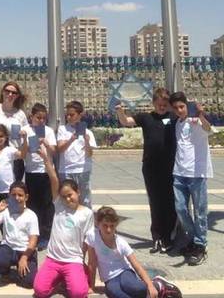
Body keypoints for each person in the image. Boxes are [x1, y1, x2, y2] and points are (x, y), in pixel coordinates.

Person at [115, 87, 177, 253]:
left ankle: (168, 236)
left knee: (169, 202)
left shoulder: (173, 117)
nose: (162, 107)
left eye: (165, 104)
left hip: (170, 167)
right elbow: (126, 122)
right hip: (151, 167)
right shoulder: (146, 117)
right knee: (155, 202)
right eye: (159, 104)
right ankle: (157, 237)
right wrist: (120, 111)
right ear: (154, 103)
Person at [32, 145, 94, 298]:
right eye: (64, 196)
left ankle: (73, 277)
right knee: (40, 291)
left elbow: (87, 241)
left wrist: (83, 265)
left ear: (78, 192)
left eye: (70, 195)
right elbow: (53, 179)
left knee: (79, 294)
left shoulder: (86, 213)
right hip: (53, 259)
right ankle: (60, 279)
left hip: (73, 260)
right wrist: (46, 160)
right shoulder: (59, 206)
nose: (67, 199)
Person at [170, 92, 213, 266]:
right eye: (176, 108)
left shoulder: (196, 121)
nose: (179, 110)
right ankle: (194, 240)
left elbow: (208, 128)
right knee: (180, 208)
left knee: (200, 212)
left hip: (197, 174)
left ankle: (200, 245)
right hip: (179, 173)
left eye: (182, 106)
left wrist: (201, 115)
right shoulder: (177, 123)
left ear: (187, 105)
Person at [86, 206, 161, 298]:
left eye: (112, 226)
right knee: (115, 293)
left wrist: (150, 285)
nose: (109, 229)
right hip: (109, 278)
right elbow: (92, 262)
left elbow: (137, 265)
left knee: (134, 287)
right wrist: (92, 286)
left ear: (116, 225)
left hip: (124, 271)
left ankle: (157, 285)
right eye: (105, 225)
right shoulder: (92, 236)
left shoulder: (121, 243)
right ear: (98, 224)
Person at [0, 181, 39, 288]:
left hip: (25, 251)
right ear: (9, 196)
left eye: (20, 195)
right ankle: (6, 273)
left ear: (26, 197)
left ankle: (23, 269)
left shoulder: (31, 215)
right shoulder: (5, 211)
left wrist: (24, 258)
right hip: (8, 248)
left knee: (29, 282)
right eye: (13, 195)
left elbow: (33, 240)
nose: (16, 198)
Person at [22, 103, 57, 249]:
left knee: (47, 204)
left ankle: (45, 235)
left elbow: (54, 151)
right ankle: (34, 235)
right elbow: (22, 152)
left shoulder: (49, 131)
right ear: (32, 117)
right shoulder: (26, 130)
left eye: (44, 118)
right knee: (32, 204)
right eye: (38, 117)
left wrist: (46, 143)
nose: (41, 120)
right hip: (31, 172)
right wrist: (27, 142)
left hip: (45, 171)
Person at [0, 123, 25, 251]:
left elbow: (22, 154)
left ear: (6, 137)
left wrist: (25, 140)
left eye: (1, 136)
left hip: (8, 190)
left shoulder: (9, 150)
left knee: (9, 216)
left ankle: (8, 241)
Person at [56, 100, 97, 208]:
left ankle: (86, 217)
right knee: (67, 198)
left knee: (85, 199)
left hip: (83, 170)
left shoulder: (88, 132)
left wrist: (87, 141)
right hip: (66, 170)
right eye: (67, 115)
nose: (69, 117)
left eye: (72, 114)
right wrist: (71, 139)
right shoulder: (62, 129)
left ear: (80, 115)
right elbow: (60, 149)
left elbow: (89, 154)